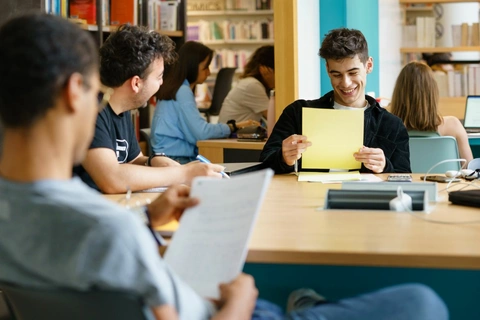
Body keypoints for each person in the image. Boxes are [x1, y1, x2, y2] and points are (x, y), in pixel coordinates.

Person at [0, 14, 450, 320]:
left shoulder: (27, 217)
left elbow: (88, 248)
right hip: (225, 311)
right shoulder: (105, 229)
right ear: (74, 93)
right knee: (422, 302)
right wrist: (239, 302)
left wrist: (146, 219)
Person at [72, 26, 224, 193]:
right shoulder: (92, 109)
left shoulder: (121, 108)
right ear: (136, 83)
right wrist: (183, 173)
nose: (161, 83)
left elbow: (132, 159)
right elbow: (112, 178)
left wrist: (152, 161)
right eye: (159, 77)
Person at [261, 28, 411, 174]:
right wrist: (283, 157)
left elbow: (405, 178)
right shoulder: (297, 113)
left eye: (353, 73)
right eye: (337, 75)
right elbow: (265, 162)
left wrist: (385, 167)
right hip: (308, 197)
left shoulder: (392, 125)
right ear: (328, 70)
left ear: (368, 66)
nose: (346, 83)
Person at [151, 41, 258, 164]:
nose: (208, 72)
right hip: (177, 160)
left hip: (169, 158)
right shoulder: (182, 91)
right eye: (205, 67)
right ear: (192, 66)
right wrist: (233, 127)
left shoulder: (177, 88)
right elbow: (201, 133)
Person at [389, 61, 473, 163]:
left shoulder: (387, 127)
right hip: (444, 179)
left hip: (404, 179)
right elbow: (470, 171)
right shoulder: (453, 125)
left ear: (398, 94)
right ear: (433, 93)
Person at [218, 45, 275, 123]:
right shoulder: (252, 85)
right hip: (232, 134)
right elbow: (275, 118)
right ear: (263, 69)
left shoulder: (252, 83)